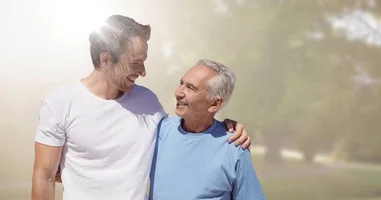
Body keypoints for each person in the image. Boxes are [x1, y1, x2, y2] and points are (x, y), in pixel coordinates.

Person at [32, 15, 251, 200]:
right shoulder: (60, 103)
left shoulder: (148, 103)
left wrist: (226, 127)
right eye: (136, 63)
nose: (143, 72)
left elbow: (184, 131)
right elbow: (45, 176)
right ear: (106, 59)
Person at [149, 60, 265, 200]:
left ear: (215, 103)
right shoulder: (157, 132)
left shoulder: (234, 146)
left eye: (191, 88)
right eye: (181, 83)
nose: (178, 93)